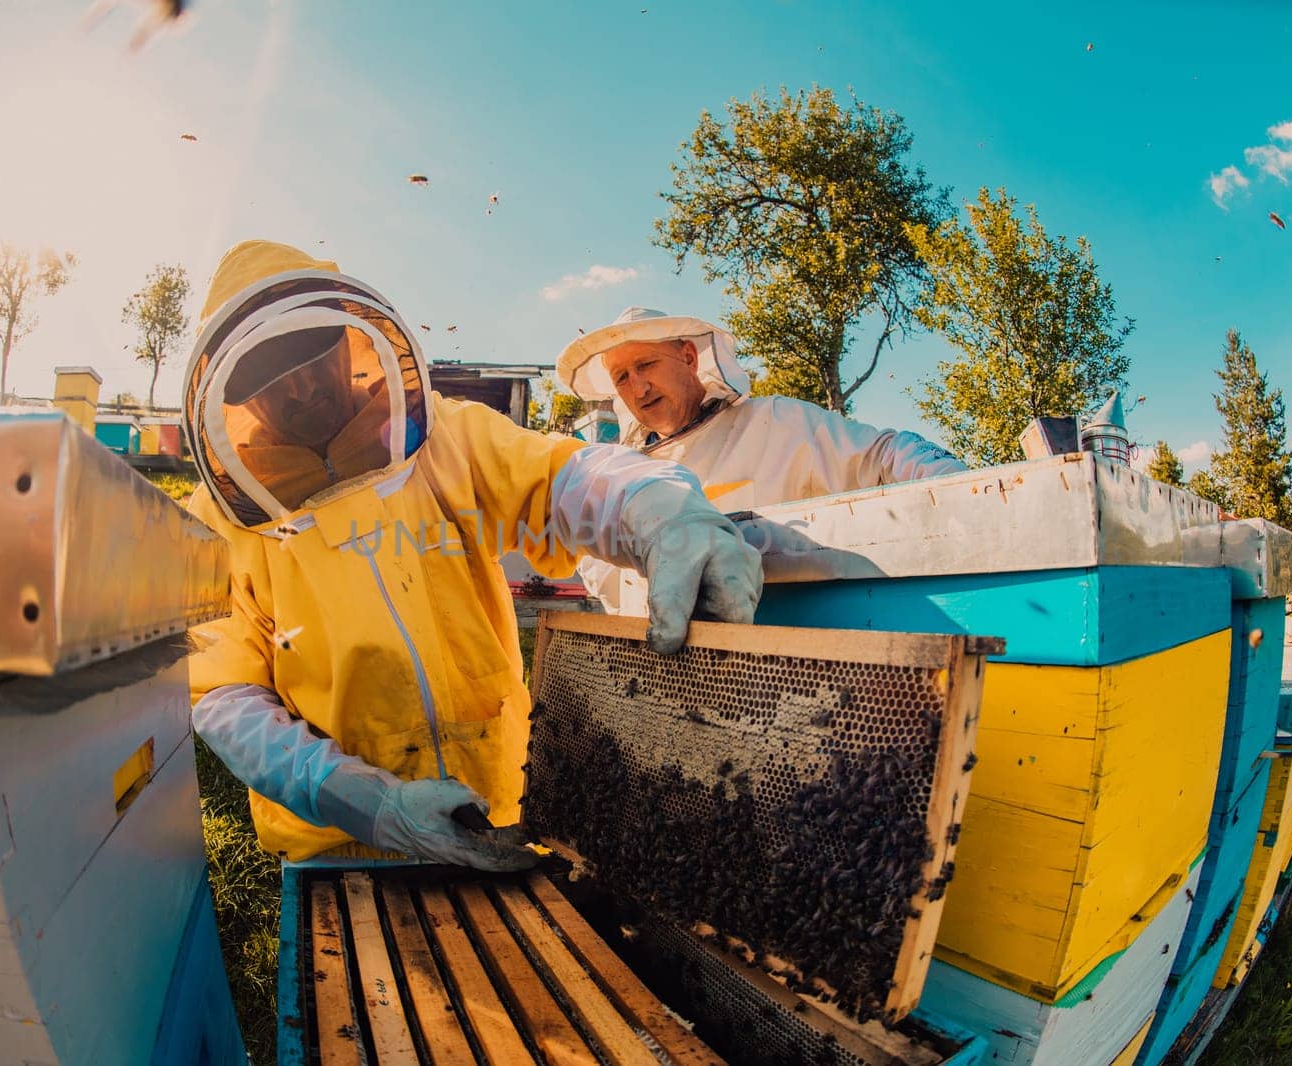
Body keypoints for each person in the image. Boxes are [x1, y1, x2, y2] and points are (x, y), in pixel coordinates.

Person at [182, 242, 762, 871]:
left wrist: (655, 506)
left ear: (348, 341)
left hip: (497, 808)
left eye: (307, 356)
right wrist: (365, 802)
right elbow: (224, 694)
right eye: (263, 379)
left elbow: (559, 479)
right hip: (342, 844)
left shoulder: (447, 437)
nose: (295, 390)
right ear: (231, 396)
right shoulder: (215, 523)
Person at [556, 306, 967, 611]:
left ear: (688, 357)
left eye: (645, 364)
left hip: (794, 659)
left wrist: (968, 491)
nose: (638, 388)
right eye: (622, 378)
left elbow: (885, 454)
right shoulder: (624, 478)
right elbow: (604, 574)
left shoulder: (774, 422)